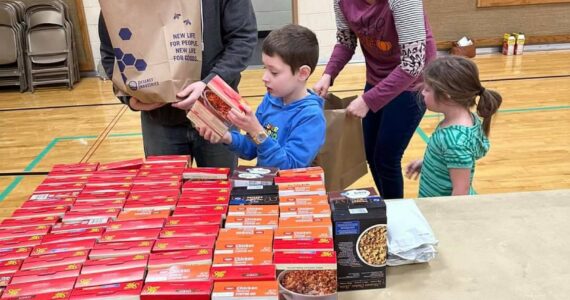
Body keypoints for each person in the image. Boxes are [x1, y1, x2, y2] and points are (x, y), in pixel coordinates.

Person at [98, 0, 257, 168]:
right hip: (159, 119)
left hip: (216, 108)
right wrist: (130, 99)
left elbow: (243, 39)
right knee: (166, 189)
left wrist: (210, 83)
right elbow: (111, 54)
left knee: (221, 188)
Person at [313, 0, 437, 199]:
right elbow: (346, 41)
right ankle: (387, 205)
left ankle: (396, 211)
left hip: (413, 83)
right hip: (378, 79)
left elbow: (413, 65)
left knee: (386, 157)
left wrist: (368, 101)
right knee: (371, 153)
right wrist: (328, 74)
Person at [197, 24, 326, 170]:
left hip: (291, 190)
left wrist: (256, 130)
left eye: (274, 72)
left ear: (302, 73)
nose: (265, 78)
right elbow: (252, 149)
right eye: (265, 69)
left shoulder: (311, 116)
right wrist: (227, 137)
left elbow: (288, 167)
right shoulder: (270, 100)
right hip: (264, 186)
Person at [405, 56, 502, 197]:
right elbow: (452, 160)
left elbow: (460, 193)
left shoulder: (454, 141)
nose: (423, 93)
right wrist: (429, 163)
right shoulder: (467, 119)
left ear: (446, 95)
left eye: (427, 89)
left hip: (441, 211)